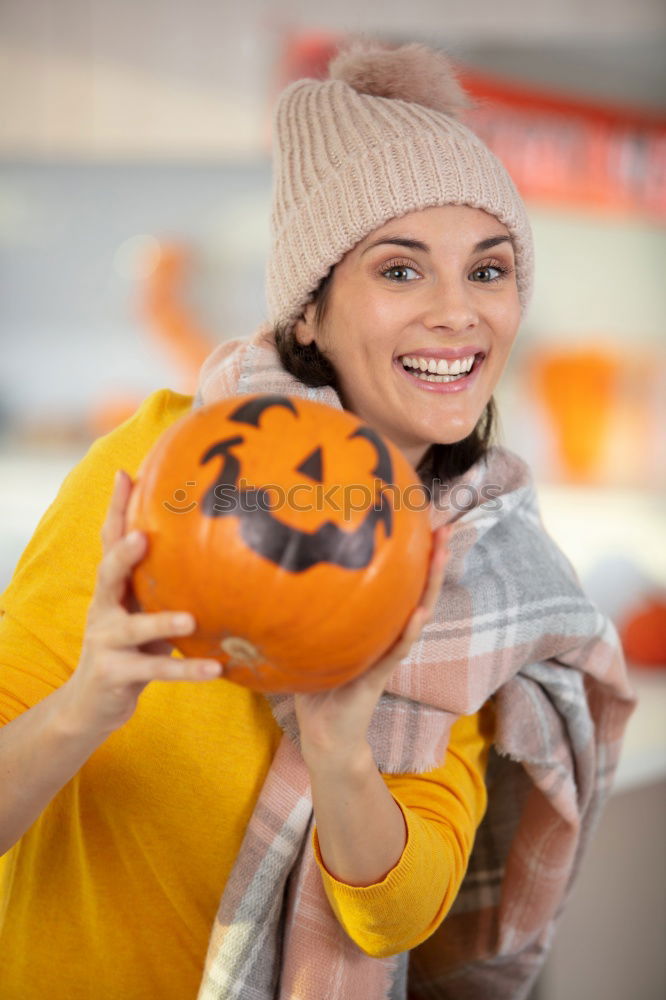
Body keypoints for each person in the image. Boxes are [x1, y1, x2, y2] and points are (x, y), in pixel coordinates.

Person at [0, 40, 634, 1000]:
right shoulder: (164, 466)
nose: (458, 314)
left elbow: (402, 918)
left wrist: (341, 750)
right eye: (401, 271)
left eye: (489, 270)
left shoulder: (478, 570)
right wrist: (87, 703)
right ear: (310, 311)